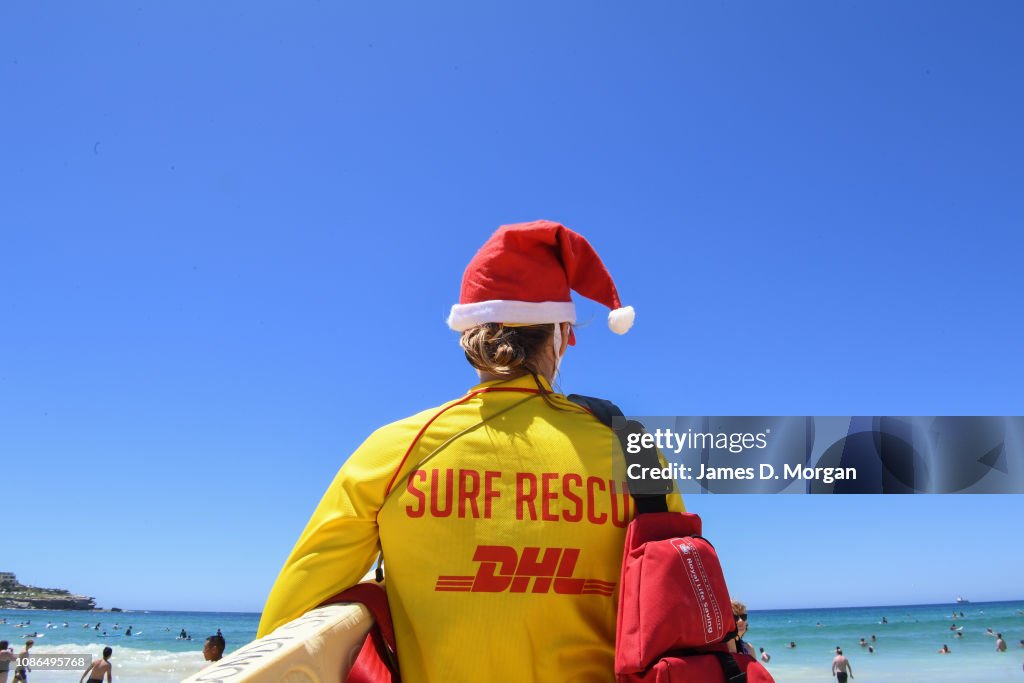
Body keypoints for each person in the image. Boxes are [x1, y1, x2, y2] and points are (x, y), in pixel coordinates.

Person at [257, 220, 682, 682]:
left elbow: (288, 624)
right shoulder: (633, 449)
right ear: (561, 336)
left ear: (471, 339)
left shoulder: (395, 449)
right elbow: (677, 600)